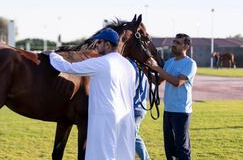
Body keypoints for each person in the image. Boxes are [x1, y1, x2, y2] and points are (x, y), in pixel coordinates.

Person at [49, 28, 136, 160]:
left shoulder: (101, 62)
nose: (96, 45)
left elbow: (69, 68)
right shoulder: (128, 66)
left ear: (107, 45)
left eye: (99, 42)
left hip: (105, 119)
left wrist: (53, 55)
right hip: (126, 119)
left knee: (102, 156)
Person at [147, 33, 197, 160]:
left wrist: (157, 68)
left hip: (181, 112)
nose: (174, 45)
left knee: (182, 149)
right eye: (174, 42)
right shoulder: (169, 63)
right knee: (170, 149)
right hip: (168, 111)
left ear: (186, 46)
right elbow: (157, 81)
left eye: (178, 43)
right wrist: (144, 68)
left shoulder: (190, 63)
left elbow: (177, 82)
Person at [129, 59, 151, 160]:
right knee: (131, 136)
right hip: (138, 107)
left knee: (132, 136)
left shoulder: (132, 66)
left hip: (136, 107)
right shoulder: (142, 67)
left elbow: (131, 88)